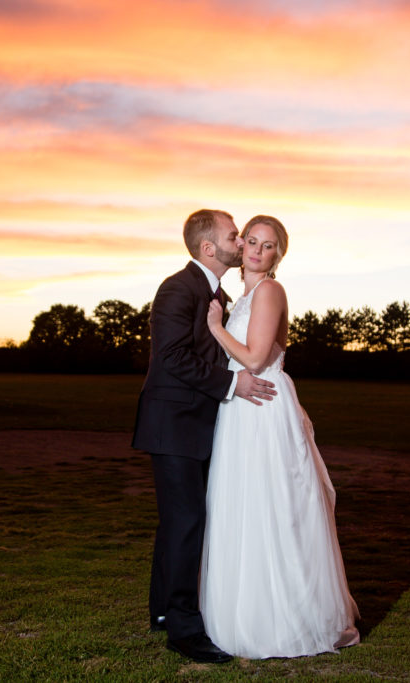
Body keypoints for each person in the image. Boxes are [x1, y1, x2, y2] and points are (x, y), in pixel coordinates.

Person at [199, 215, 360, 659]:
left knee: (274, 508)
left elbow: (252, 359)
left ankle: (289, 617)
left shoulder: (269, 291)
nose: (256, 250)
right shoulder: (242, 296)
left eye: (268, 246)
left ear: (278, 256)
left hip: (263, 410)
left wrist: (215, 328)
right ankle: (247, 611)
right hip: (241, 410)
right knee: (244, 507)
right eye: (251, 241)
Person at [132, 209, 277, 664]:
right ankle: (184, 629)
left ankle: (161, 613)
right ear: (209, 248)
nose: (242, 243)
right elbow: (172, 358)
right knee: (187, 522)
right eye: (235, 236)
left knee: (179, 522)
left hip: (195, 424)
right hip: (173, 424)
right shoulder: (179, 288)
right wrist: (233, 385)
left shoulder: (215, 292)